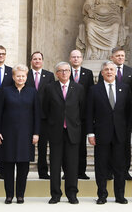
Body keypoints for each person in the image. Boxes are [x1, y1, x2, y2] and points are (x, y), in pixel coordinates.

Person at [86, 61, 132, 204]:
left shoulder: (124, 88)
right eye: (106, 69)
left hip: (120, 134)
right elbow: (89, 113)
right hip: (101, 134)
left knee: (120, 166)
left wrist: (128, 131)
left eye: (111, 69)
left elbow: (129, 112)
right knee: (101, 166)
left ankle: (120, 195)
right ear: (102, 73)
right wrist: (90, 133)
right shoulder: (94, 90)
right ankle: (102, 195)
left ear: (115, 72)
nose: (109, 72)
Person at [0, 64, 40, 204]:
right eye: (18, 75)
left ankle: (20, 195)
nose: (20, 78)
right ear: (13, 77)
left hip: (26, 135)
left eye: (23, 76)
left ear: (26, 77)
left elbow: (36, 115)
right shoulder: (5, 91)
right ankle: (9, 195)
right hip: (7, 134)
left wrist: (36, 133)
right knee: (8, 166)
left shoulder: (33, 92)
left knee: (23, 167)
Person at [43, 62, 85, 204]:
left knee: (72, 165)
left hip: (73, 132)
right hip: (56, 131)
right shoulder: (49, 88)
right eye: (61, 71)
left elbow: (82, 110)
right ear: (57, 73)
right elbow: (45, 109)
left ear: (70, 72)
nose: (64, 73)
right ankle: (55, 194)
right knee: (55, 165)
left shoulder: (78, 88)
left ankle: (72, 193)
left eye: (67, 70)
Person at [100, 46, 132, 180]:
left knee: (125, 146)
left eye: (122, 55)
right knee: (110, 145)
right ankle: (109, 170)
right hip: (109, 118)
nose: (120, 58)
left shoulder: (131, 72)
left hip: (124, 118)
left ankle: (125, 170)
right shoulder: (105, 70)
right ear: (112, 57)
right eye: (117, 56)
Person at [27, 50, 54, 179]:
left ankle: (43, 172)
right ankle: (24, 171)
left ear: (42, 61)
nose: (37, 61)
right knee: (26, 144)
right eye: (34, 59)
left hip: (44, 116)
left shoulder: (49, 75)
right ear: (31, 61)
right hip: (27, 115)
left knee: (43, 146)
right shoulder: (25, 75)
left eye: (39, 59)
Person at [68, 49, 94, 180]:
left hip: (82, 116)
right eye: (74, 57)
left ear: (82, 59)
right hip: (68, 116)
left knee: (81, 146)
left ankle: (81, 171)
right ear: (70, 59)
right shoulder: (65, 72)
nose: (76, 59)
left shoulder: (87, 73)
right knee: (68, 145)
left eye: (78, 57)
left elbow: (90, 94)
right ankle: (68, 172)